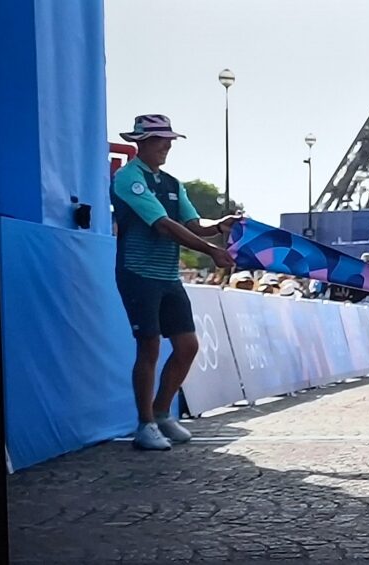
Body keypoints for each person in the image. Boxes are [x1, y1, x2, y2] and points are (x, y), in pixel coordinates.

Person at [112, 114, 238, 451]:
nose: (166, 145)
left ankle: (162, 412)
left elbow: (193, 223)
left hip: (168, 276)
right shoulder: (128, 179)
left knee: (188, 346)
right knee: (149, 347)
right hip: (138, 273)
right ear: (141, 143)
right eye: (159, 139)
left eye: (169, 139)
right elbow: (164, 226)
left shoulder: (171, 183)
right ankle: (145, 424)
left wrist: (219, 225)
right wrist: (212, 250)